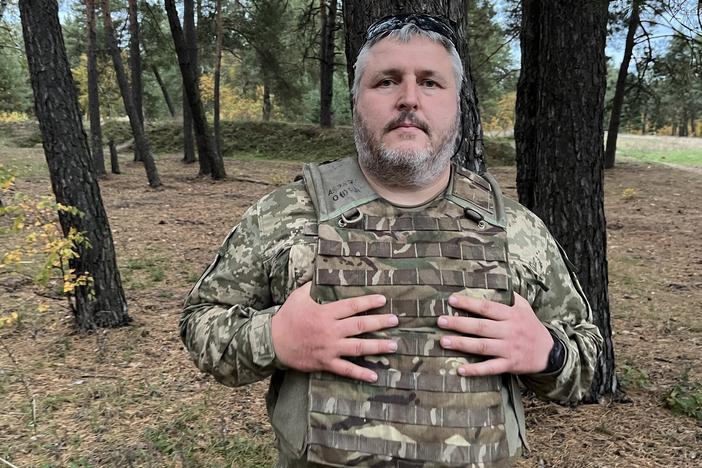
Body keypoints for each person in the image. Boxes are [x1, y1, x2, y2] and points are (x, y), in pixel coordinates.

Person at [181, 14, 603, 467]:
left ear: (457, 104)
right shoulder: (284, 214)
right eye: (386, 81)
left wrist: (546, 351)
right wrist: (275, 338)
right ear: (357, 101)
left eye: (430, 83)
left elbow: (586, 361)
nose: (408, 99)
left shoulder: (518, 230)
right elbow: (201, 323)